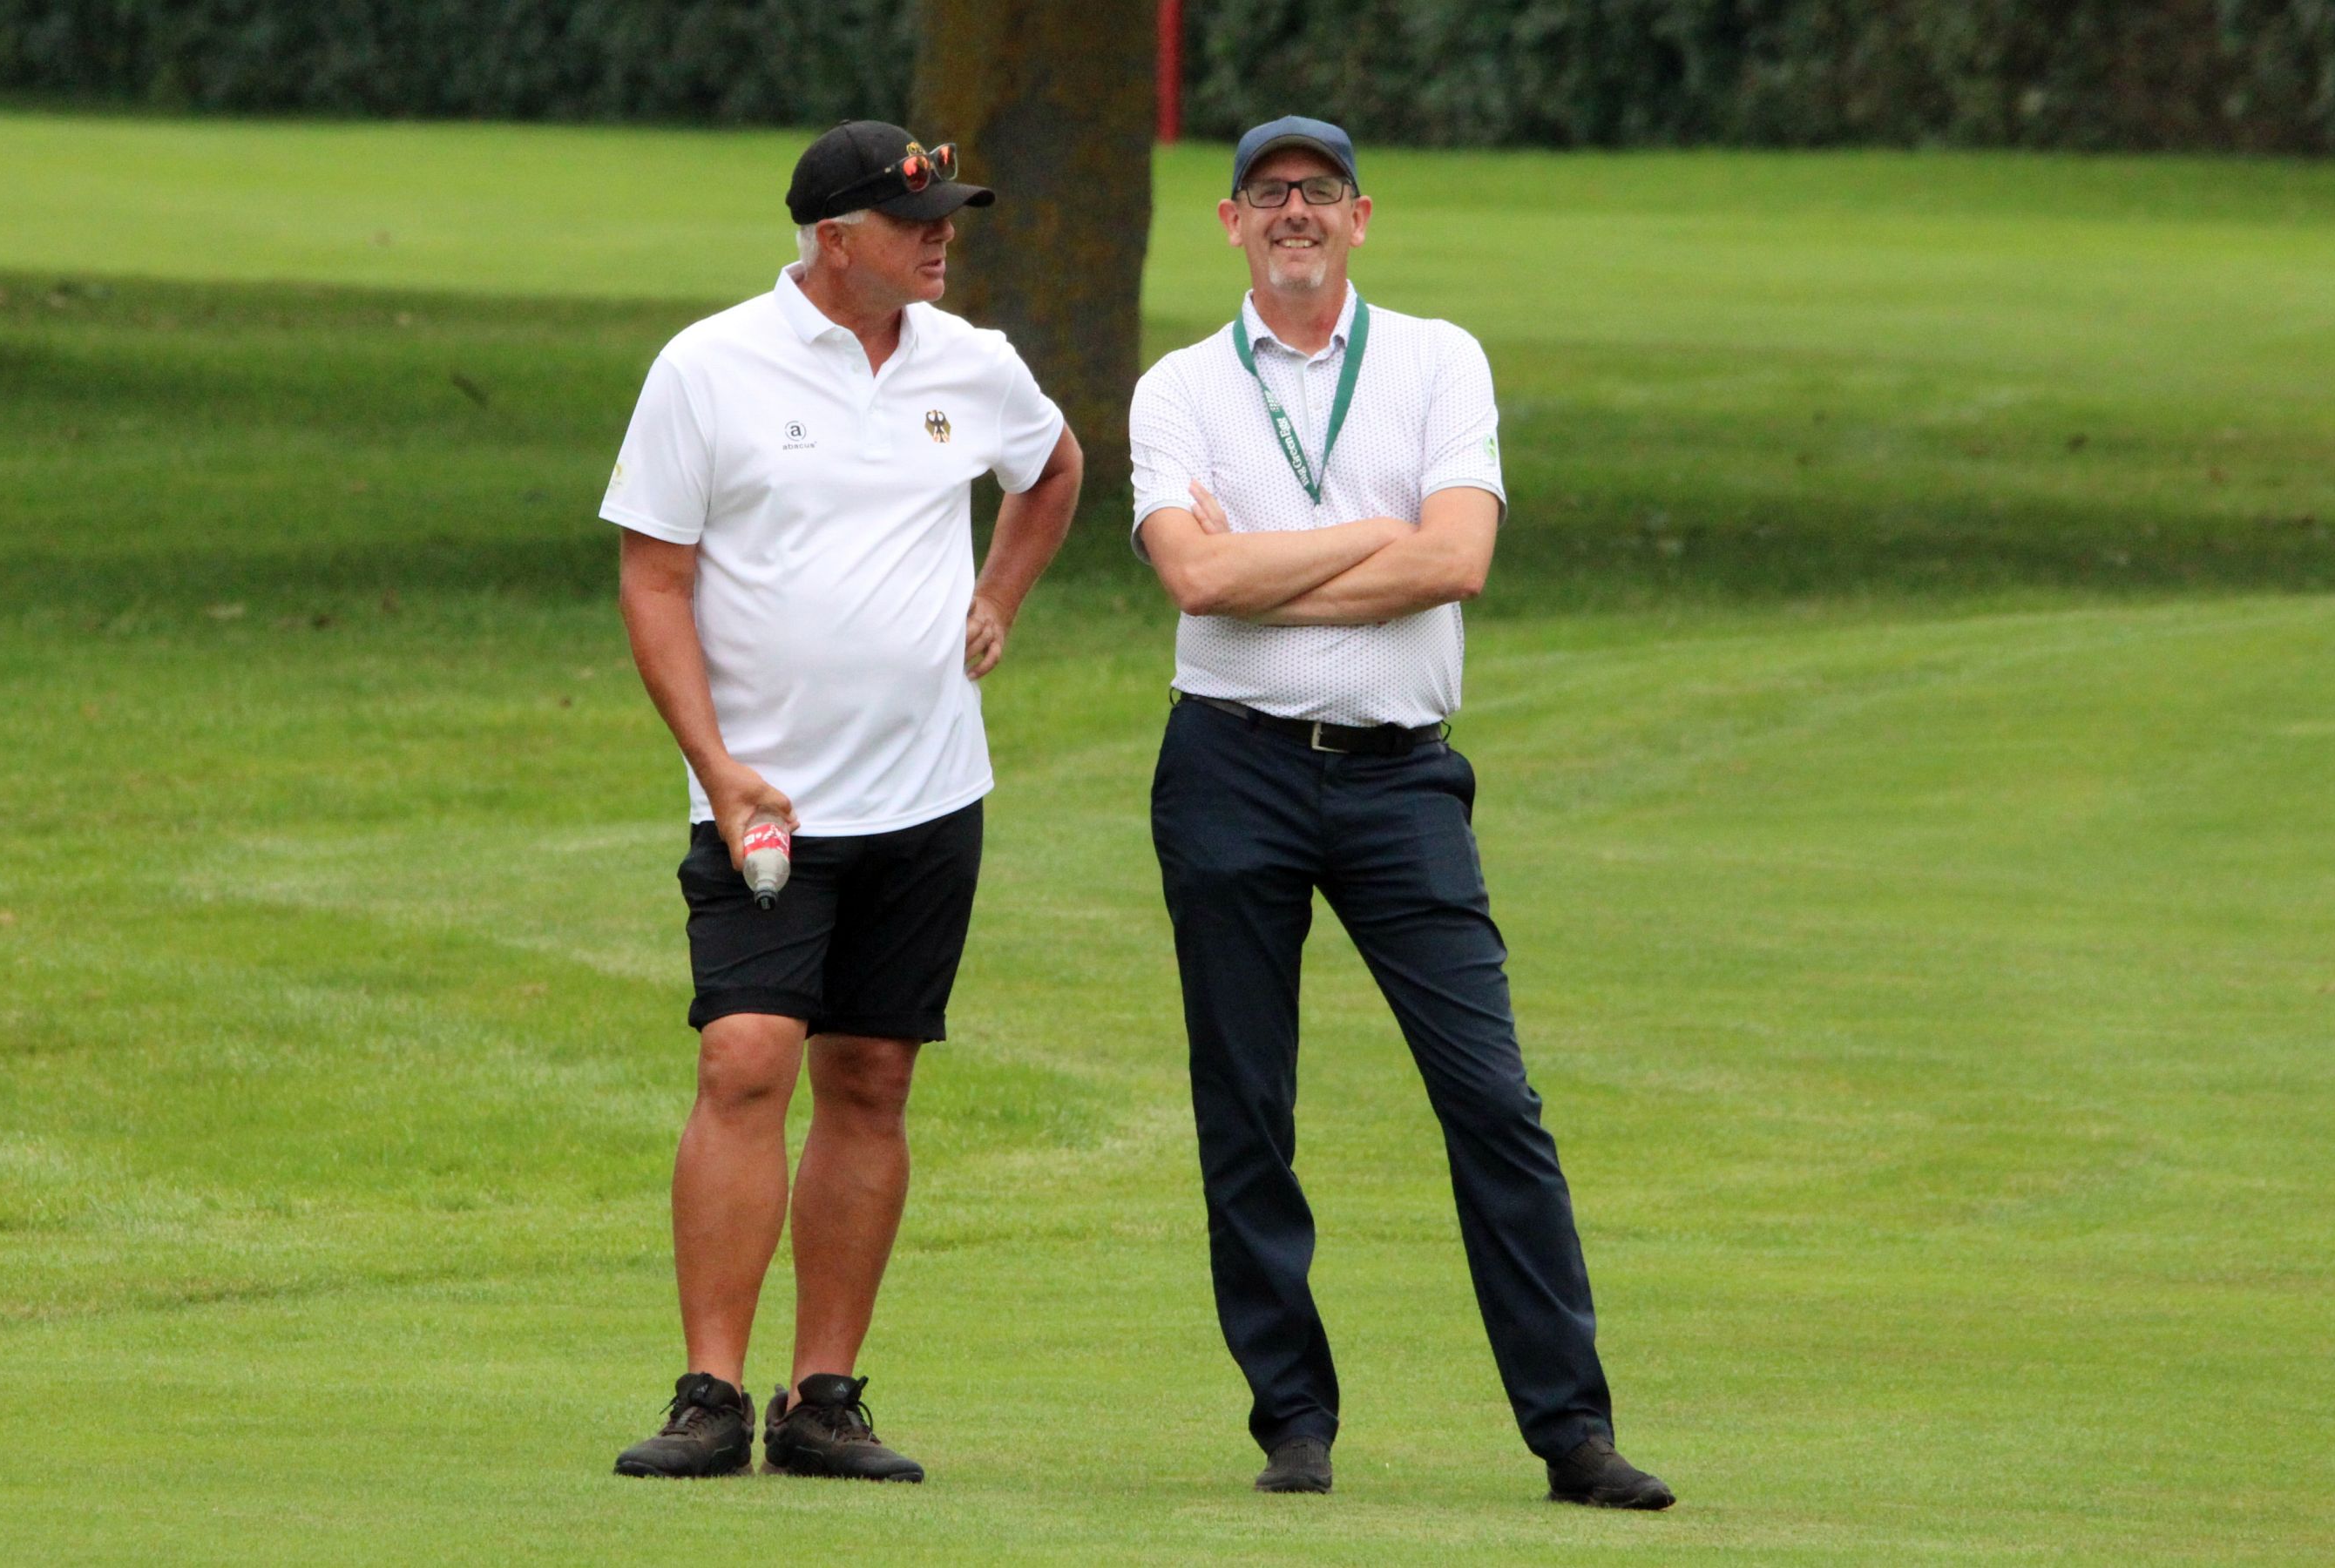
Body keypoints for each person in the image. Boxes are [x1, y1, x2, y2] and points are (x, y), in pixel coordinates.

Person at [1127, 115, 1674, 1510]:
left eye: (1318, 192)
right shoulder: (1178, 388)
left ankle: (1572, 1432)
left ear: (1361, 217)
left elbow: (1462, 556)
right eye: (1268, 195)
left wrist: (1282, 559)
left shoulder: (1438, 358)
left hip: (1399, 774)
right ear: (1231, 224)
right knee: (1247, 1106)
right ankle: (1292, 1421)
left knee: (1493, 1099)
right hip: (1230, 767)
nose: (1293, 213)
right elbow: (1193, 581)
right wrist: (1380, 537)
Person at [599, 120, 1082, 1481]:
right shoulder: (710, 367)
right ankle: (709, 1392)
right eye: (910, 218)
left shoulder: (971, 363)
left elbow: (1052, 471)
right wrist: (715, 765)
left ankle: (822, 1399)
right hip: (765, 804)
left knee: (870, 1076)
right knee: (743, 1058)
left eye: (947, 216)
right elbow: (653, 577)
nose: (940, 237)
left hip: (929, 793)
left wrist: (997, 595)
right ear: (831, 239)